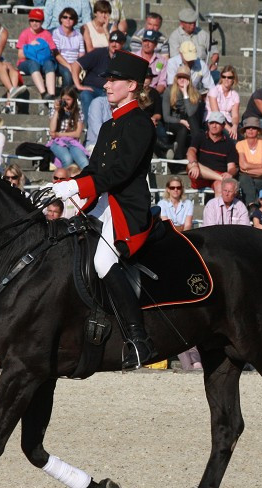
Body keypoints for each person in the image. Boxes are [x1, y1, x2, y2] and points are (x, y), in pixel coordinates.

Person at [50, 51, 156, 369]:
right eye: (107, 79)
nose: (107, 85)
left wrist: (77, 187)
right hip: (101, 204)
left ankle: (139, 340)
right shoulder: (110, 126)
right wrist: (63, 185)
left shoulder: (140, 124)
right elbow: (94, 170)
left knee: (102, 259)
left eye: (113, 80)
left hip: (126, 208)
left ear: (132, 85)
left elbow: (120, 173)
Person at [72, 31, 121, 119]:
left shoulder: (124, 58)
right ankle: (89, 127)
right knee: (85, 95)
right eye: (112, 41)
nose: (114, 44)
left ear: (123, 43)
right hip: (93, 89)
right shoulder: (99, 53)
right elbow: (76, 65)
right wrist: (78, 85)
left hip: (112, 92)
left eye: (118, 42)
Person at [186, 111, 237, 196]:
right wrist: (194, 164)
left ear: (223, 125)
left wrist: (230, 173)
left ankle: (217, 209)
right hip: (200, 175)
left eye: (217, 123)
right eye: (212, 123)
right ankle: (220, 178)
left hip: (219, 177)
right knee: (190, 165)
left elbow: (232, 167)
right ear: (208, 124)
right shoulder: (200, 137)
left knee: (220, 186)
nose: (214, 126)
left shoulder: (229, 143)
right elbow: (191, 151)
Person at [161, 65, 201, 167]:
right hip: (173, 122)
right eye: (180, 77)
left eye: (185, 77)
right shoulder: (169, 91)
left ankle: (195, 157)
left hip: (189, 121)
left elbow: (191, 113)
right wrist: (181, 121)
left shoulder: (195, 93)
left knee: (195, 129)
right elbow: (166, 117)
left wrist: (185, 94)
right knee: (183, 129)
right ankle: (178, 159)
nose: (182, 80)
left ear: (189, 80)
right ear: (176, 78)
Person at [16, 10, 57, 101]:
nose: (34, 23)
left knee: (49, 63)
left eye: (37, 21)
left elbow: (52, 52)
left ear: (42, 21)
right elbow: (20, 56)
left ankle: (51, 94)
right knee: (33, 63)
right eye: (32, 20)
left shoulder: (46, 34)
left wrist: (36, 50)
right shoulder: (25, 33)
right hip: (26, 63)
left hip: (43, 62)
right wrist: (31, 47)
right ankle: (43, 93)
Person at [167, 8, 218, 80]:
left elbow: (214, 53)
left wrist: (213, 64)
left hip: (204, 69)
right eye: (190, 23)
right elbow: (175, 59)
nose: (193, 26)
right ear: (182, 23)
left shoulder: (203, 34)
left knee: (217, 75)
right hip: (184, 71)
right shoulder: (174, 37)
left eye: (194, 22)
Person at [48, 87, 88, 171]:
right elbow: (52, 131)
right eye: (63, 99)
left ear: (73, 100)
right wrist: (57, 111)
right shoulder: (55, 110)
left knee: (84, 162)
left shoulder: (78, 112)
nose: (65, 102)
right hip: (57, 142)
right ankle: (65, 182)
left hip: (73, 142)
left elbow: (77, 134)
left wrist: (59, 134)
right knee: (67, 159)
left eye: (68, 99)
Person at [236, 117, 262, 205]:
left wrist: (248, 169)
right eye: (248, 128)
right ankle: (252, 206)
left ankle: (252, 208)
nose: (251, 130)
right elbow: (243, 166)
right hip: (245, 176)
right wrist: (260, 166)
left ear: (258, 131)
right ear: (245, 131)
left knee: (261, 182)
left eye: (254, 128)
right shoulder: (240, 144)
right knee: (245, 179)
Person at [52, 6, 85, 90]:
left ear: (74, 21)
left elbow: (81, 54)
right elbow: (56, 54)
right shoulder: (56, 33)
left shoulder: (79, 35)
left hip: (75, 63)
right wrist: (69, 66)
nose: (68, 19)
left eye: (71, 18)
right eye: (65, 17)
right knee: (67, 74)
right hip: (61, 63)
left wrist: (77, 66)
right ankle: (65, 98)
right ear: (61, 19)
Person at [207, 66, 239, 139]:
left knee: (240, 137)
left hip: (228, 121)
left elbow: (235, 116)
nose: (226, 79)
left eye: (229, 77)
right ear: (221, 77)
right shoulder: (214, 90)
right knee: (232, 138)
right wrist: (230, 129)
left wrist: (234, 126)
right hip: (214, 120)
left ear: (233, 79)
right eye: (224, 77)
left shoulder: (235, 95)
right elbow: (216, 114)